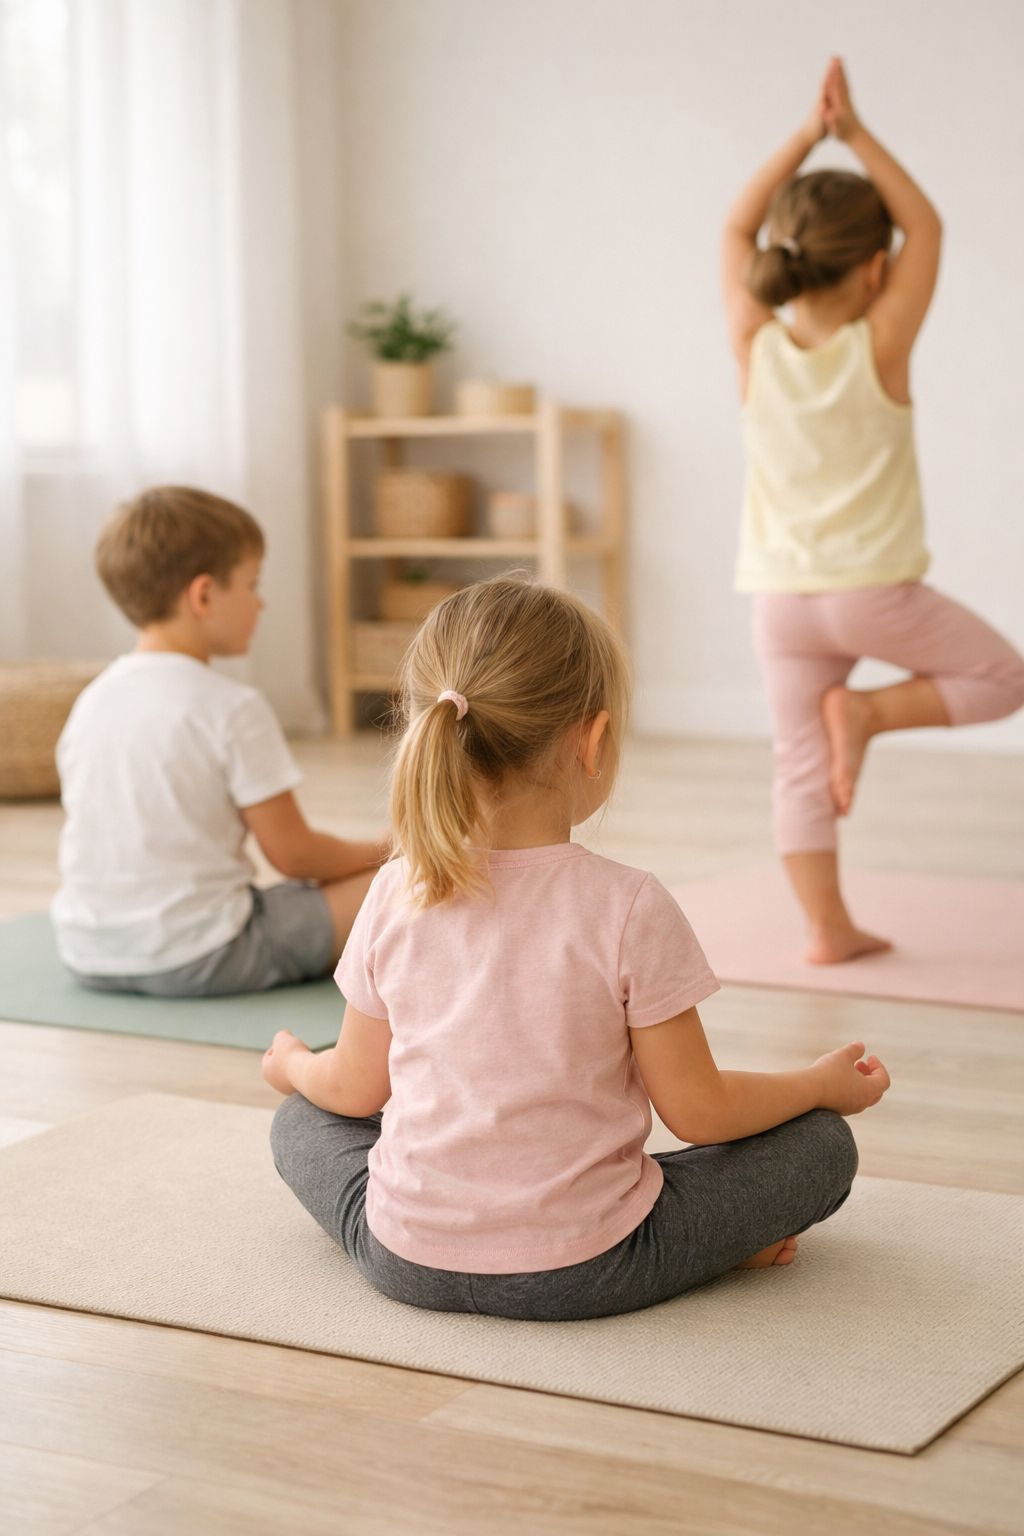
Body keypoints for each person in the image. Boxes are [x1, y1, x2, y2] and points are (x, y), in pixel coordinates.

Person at [262, 577, 888, 1322]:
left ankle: (669, 1241)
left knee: (298, 1120)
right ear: (591, 741)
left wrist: (295, 1065)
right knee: (821, 1147)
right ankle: (709, 1249)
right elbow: (701, 1110)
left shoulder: (396, 888)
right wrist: (816, 1085)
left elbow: (354, 1092)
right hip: (591, 1268)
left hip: (405, 1259)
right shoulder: (628, 904)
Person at [721, 58, 1024, 963]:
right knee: (1004, 678)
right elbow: (928, 220)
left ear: (781, 259)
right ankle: (872, 716)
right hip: (872, 591)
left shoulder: (753, 342)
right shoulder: (881, 344)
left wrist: (803, 138)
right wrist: (851, 133)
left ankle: (825, 930)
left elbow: (736, 222)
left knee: (797, 765)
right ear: (876, 268)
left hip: (778, 598)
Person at [53, 485, 385, 996]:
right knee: (399, 885)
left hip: (87, 952)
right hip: (207, 954)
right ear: (203, 595)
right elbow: (296, 856)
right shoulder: (232, 707)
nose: (261, 602)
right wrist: (395, 850)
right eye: (252, 584)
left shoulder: (91, 702)